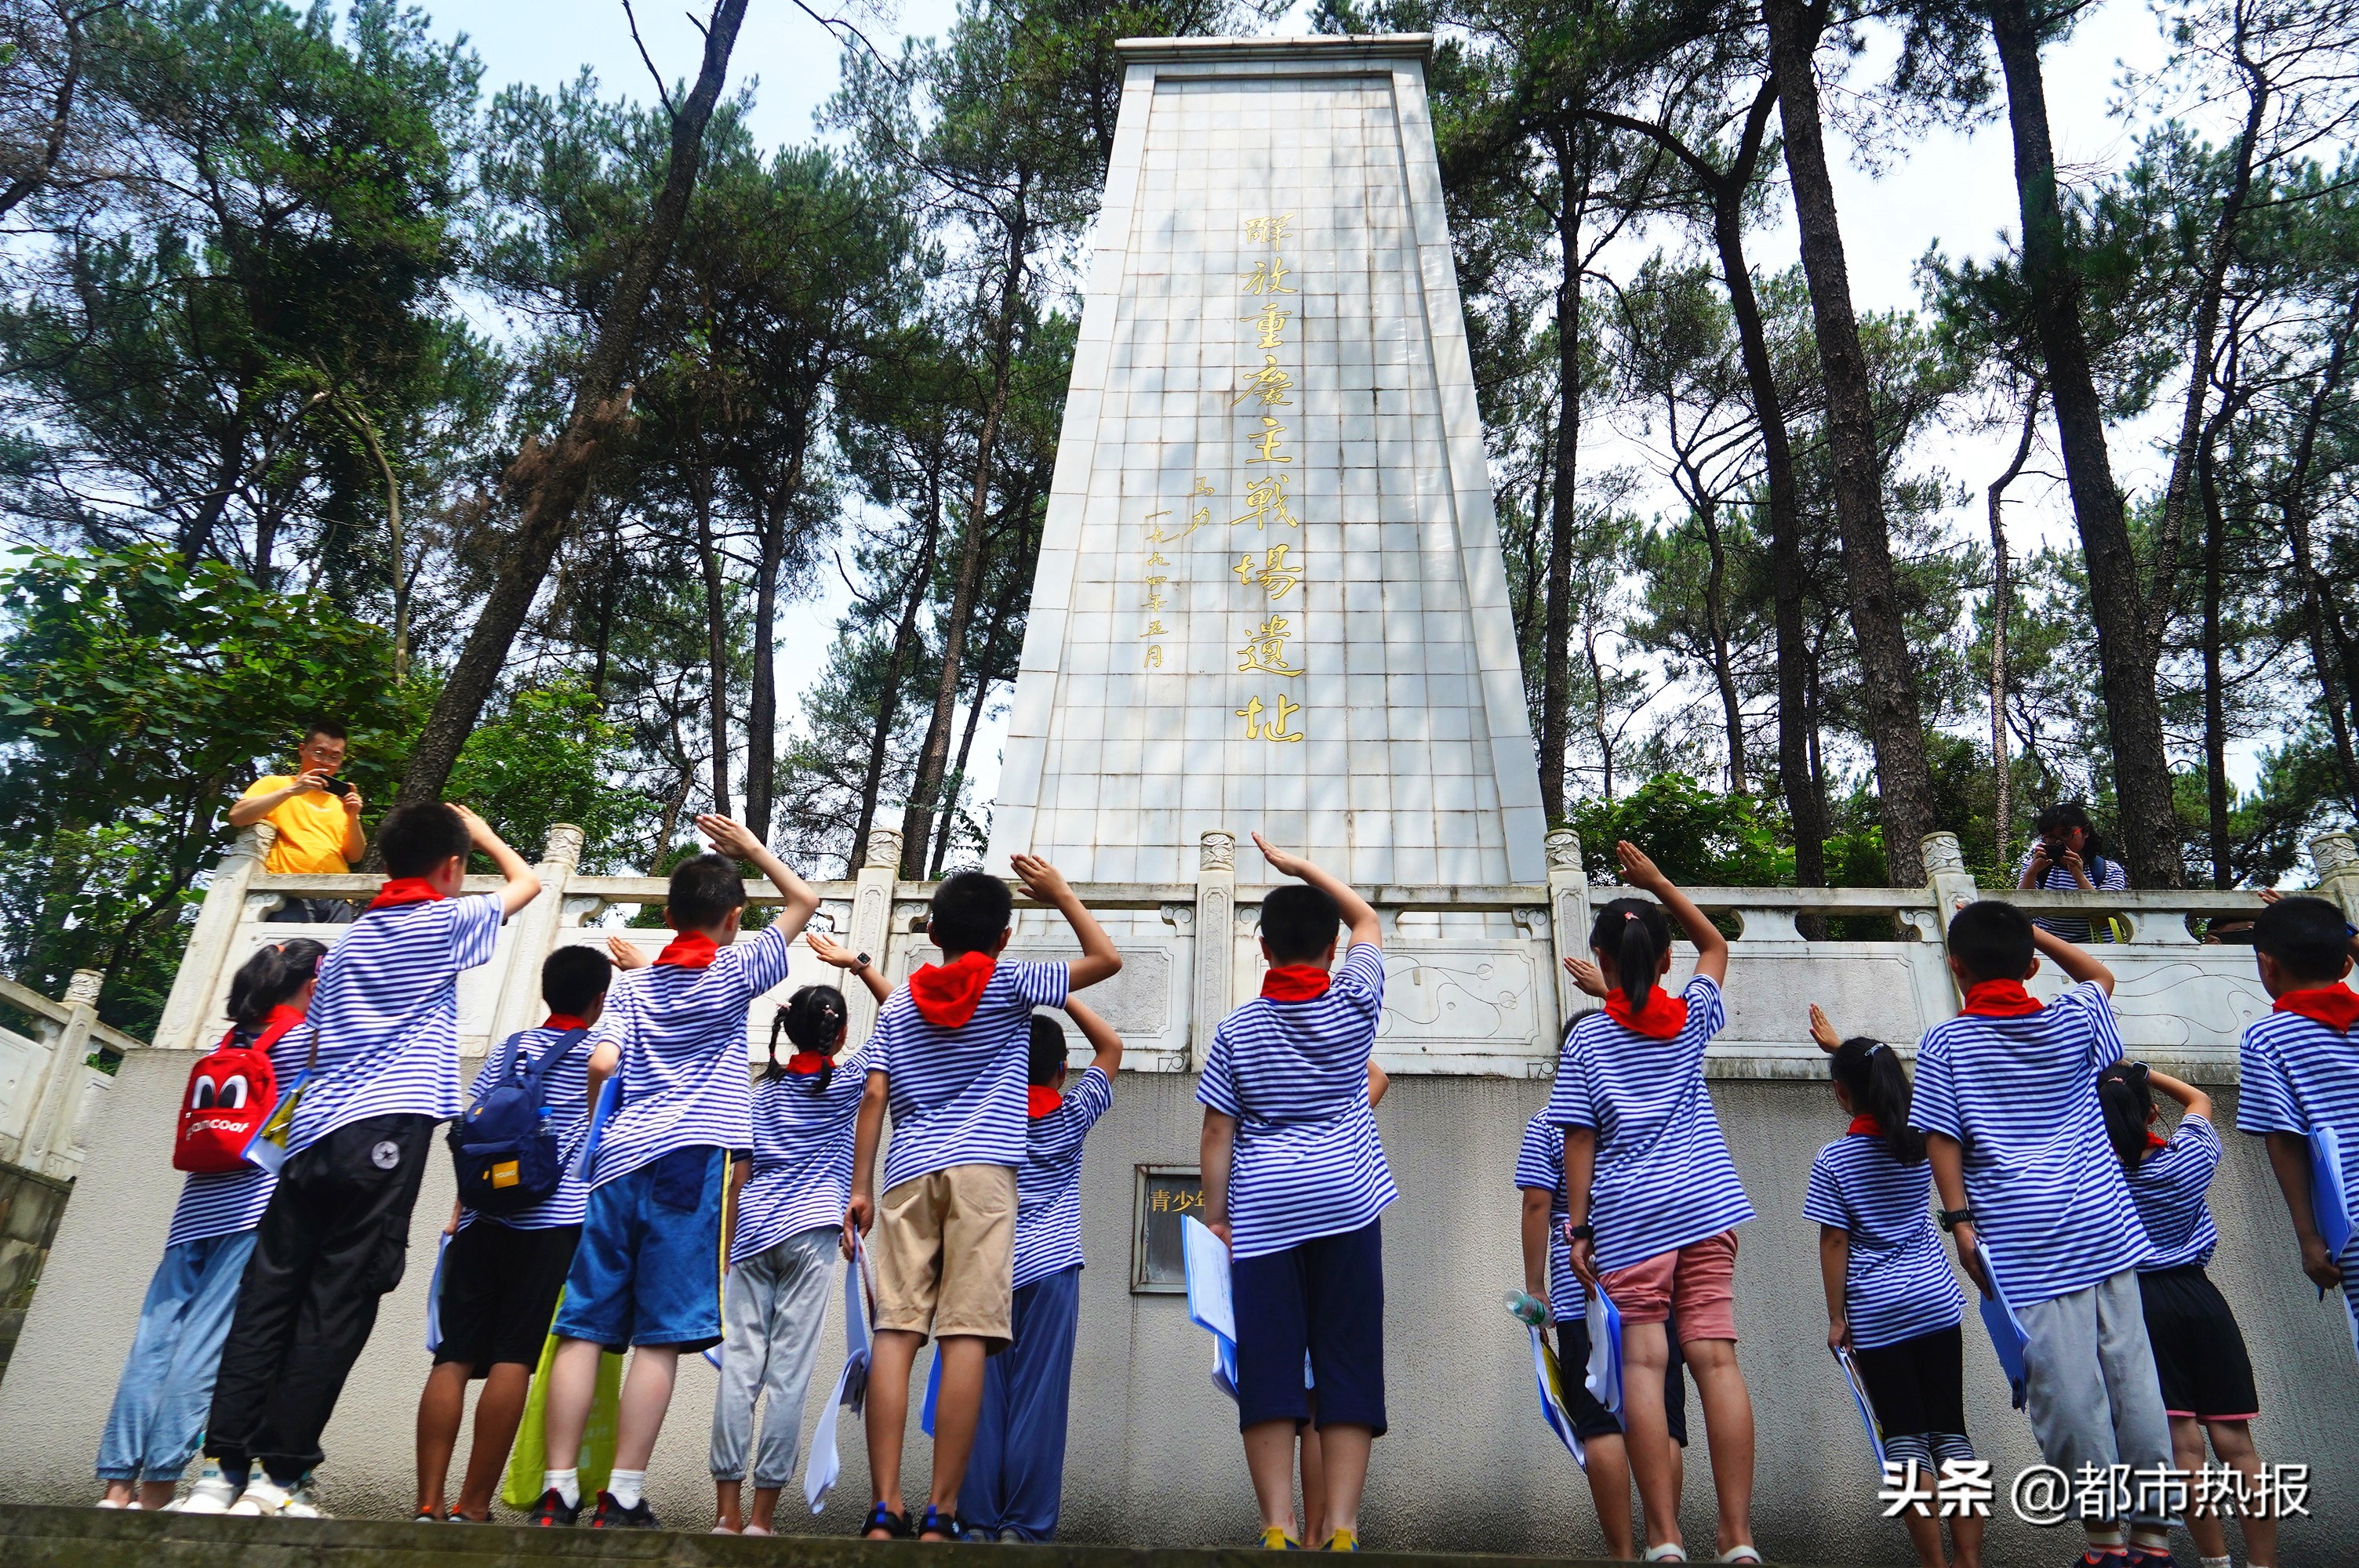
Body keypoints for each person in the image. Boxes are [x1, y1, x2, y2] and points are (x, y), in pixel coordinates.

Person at [184, 803, 541, 1516]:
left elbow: (309, 1046)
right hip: (382, 1136)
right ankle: (279, 1477)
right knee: (338, 1299)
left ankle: (221, 1470)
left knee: (269, 1296)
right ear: (449, 867)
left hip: (310, 1136)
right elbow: (526, 884)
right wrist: (484, 834)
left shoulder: (347, 942)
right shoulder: (441, 921)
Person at [527, 815, 822, 1530]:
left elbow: (602, 1063)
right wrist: (753, 848)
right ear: (731, 919)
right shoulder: (734, 970)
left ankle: (557, 1489)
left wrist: (614, 1122)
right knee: (659, 1333)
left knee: (586, 1327)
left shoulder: (627, 989)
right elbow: (804, 902)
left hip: (617, 1164)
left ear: (666, 915)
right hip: (694, 1162)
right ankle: (622, 1493)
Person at [844, 857, 1121, 1542]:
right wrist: (1060, 895)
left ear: (932, 930)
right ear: (1004, 935)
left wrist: (859, 1187)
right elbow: (1105, 959)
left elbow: (874, 1093)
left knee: (897, 1334)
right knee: (967, 1335)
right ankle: (942, 1513)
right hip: (983, 1176)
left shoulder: (903, 1000)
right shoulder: (1010, 983)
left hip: (907, 1173)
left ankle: (885, 1508)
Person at [1910, 900, 2175, 1568]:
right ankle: (2153, 1537)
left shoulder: (1946, 1042)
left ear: (1955, 966)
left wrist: (1960, 1223)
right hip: (2105, 1225)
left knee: (2066, 1392)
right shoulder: (2075, 1017)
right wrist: (2031, 930)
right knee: (2132, 1378)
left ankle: (2105, 1542)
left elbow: (1942, 1136)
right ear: (2030, 964)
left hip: (2025, 1240)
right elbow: (2098, 976)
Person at [1554, 842, 1758, 1566]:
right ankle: (1736, 1538)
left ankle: (1665, 1538)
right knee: (1716, 1359)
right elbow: (1714, 942)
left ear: (1601, 964)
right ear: (1663, 962)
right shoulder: (1693, 1016)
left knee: (1642, 1366)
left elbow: (1578, 1142)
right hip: (1708, 1205)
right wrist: (1657, 882)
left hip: (1632, 1216)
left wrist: (1578, 1229)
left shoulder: (1587, 1043)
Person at [1198, 833, 1391, 1554]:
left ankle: (1277, 1527)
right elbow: (1368, 920)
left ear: (1263, 946)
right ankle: (1340, 1528)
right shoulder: (1356, 1003)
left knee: (1272, 1362)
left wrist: (1217, 1216)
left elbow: (1218, 1131)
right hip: (1348, 1202)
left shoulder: (1238, 1028)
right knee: (1346, 1359)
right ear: (1333, 949)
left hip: (1265, 1214)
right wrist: (1304, 868)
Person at [94, 939, 325, 1511]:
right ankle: (158, 1490)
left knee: (152, 1345)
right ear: (311, 985)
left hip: (193, 1211)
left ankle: (116, 1488)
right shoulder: (300, 1040)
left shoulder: (229, 1040)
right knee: (203, 1348)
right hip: (251, 1211)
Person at [413, 945, 616, 1523]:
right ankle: (472, 1504)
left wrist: (460, 1210)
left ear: (546, 990)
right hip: (551, 1224)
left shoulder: (509, 1050)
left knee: (452, 1358)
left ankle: (427, 1502)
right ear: (599, 999)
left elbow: (476, 1135)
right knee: (513, 1359)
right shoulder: (600, 1055)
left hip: (481, 1219)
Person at [707, 933, 888, 1537]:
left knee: (740, 1370)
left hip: (752, 1234)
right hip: (812, 1233)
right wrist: (857, 965)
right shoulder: (849, 1081)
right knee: (789, 1372)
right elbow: (902, 1013)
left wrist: (729, 1250)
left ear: (788, 1033)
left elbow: (739, 1175)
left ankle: (725, 1516)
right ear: (837, 1036)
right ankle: (762, 1519)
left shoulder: (762, 1093)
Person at [1514, 992, 1690, 1563]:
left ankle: (1621, 1553)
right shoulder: (1644, 1116)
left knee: (1600, 1421)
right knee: (1661, 1416)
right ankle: (1665, 1540)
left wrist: (1535, 1285)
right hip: (1653, 1279)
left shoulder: (1548, 1124)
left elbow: (1538, 1205)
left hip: (1579, 1291)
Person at [1804, 1005, 1980, 1568]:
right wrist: (1843, 1052)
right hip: (1935, 1301)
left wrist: (1837, 1318)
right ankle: (1970, 1561)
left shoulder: (1834, 1161)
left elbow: (1835, 1243)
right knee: (1951, 1431)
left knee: (1903, 1440)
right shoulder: (1924, 1143)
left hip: (1878, 1313)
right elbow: (1887, 1093)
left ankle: (1934, 1565)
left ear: (1840, 1093)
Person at [958, 997, 1123, 1543]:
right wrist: (1065, 995)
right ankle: (1023, 1528)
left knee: (980, 1396)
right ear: (1060, 1071)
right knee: (1039, 1400)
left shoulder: (985, 1112)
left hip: (987, 1265)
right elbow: (1112, 1047)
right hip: (1052, 1268)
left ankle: (976, 1521)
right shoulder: (1072, 1112)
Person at [2102, 1061, 2277, 1568]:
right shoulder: (2187, 1161)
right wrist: (2144, 1071)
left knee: (2184, 1451)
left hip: (2140, 1308)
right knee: (2238, 1447)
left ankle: (2214, 1563)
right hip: (2200, 1300)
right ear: (2153, 1114)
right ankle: (2265, 1564)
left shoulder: (2097, 1181)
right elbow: (2200, 1101)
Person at [2234, 894, 2359, 1389]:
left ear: (2266, 965)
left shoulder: (2268, 1038)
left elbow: (2283, 1142)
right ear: (2347, 961)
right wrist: (2334, 925)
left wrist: (2309, 1237)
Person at [229, 720, 368, 924]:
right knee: (288, 953)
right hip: (290, 888)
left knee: (330, 955)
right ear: (302, 749)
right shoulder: (276, 784)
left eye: (334, 757)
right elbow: (237, 817)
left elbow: (355, 856)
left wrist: (353, 815)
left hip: (337, 895)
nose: (326, 762)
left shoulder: (341, 803)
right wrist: (292, 790)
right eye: (319, 753)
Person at [2016, 801, 2129, 944]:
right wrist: (2031, 873)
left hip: (2098, 953)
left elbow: (2103, 919)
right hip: (2048, 952)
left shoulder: (2108, 870)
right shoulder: (2034, 868)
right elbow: (2021, 914)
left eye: (2066, 834)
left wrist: (2079, 876)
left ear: (2085, 832)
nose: (2059, 843)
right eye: (2051, 837)